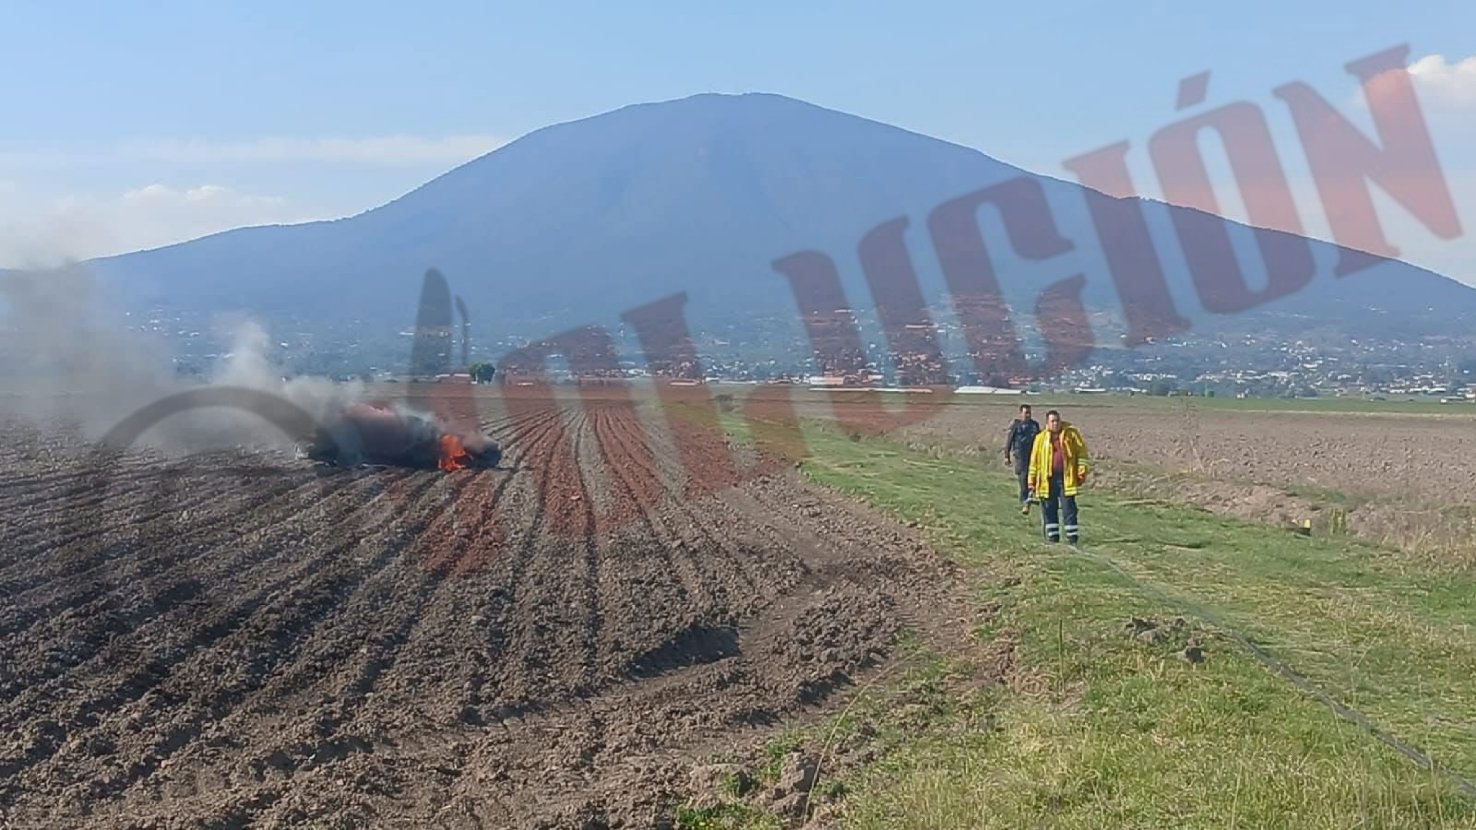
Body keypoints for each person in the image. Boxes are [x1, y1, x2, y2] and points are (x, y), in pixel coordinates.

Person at [1027, 409, 1089, 545]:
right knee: (1049, 508)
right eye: (1052, 421)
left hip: (1066, 478)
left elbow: (1082, 454)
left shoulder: (1071, 435)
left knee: (1069, 508)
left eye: (1057, 420)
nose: (1055, 423)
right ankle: (1053, 538)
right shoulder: (1040, 439)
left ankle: (1072, 538)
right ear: (1047, 423)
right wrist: (1032, 481)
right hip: (1047, 480)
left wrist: (1081, 471)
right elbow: (1034, 462)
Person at [1003, 403, 1041, 515]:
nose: (1028, 415)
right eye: (1025, 413)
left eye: (1029, 413)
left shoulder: (1034, 425)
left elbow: (1040, 439)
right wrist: (1006, 456)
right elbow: (1009, 440)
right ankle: (1024, 500)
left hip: (1033, 455)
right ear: (1021, 413)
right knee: (1023, 477)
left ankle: (1030, 496)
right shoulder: (1016, 425)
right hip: (1020, 456)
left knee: (1033, 476)